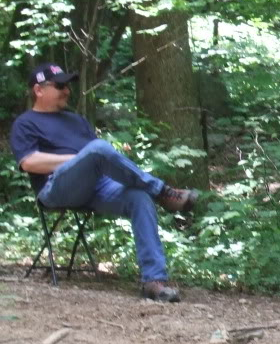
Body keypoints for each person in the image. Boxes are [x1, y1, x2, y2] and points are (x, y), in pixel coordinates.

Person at [9, 63, 199, 303]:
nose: (67, 90)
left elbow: (99, 162)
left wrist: (93, 162)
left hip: (97, 188)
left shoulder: (77, 121)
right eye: (60, 86)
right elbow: (29, 162)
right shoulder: (26, 123)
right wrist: (79, 159)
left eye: (68, 85)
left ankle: (154, 281)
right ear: (38, 90)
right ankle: (163, 191)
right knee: (98, 149)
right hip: (56, 190)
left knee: (139, 197)